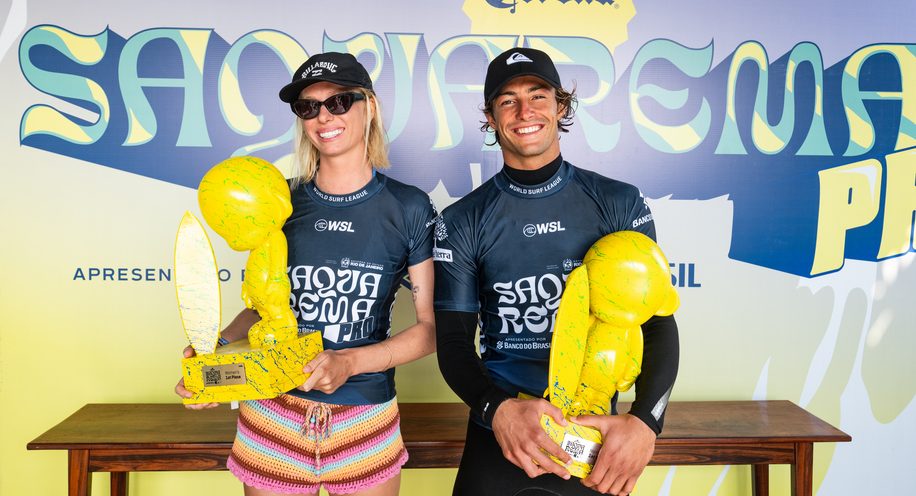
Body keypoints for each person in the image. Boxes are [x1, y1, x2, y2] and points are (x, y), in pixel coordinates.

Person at [175, 52, 437, 496]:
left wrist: (349, 363)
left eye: (339, 102)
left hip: (365, 417)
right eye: (308, 106)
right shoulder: (281, 201)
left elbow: (430, 330)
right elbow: (263, 307)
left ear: (370, 106)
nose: (323, 116)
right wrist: (214, 352)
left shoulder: (409, 207)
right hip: (273, 413)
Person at [434, 47, 679, 496]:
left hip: (593, 438)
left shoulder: (618, 203)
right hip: (502, 432)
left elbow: (657, 323)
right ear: (490, 117)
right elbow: (453, 342)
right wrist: (498, 410)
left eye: (538, 96)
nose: (524, 111)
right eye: (507, 100)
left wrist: (647, 422)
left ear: (560, 106)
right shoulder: (463, 220)